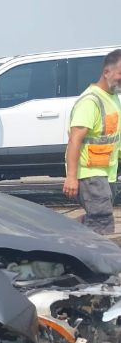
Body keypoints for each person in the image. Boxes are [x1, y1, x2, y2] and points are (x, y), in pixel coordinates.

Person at [63, 49, 121, 235]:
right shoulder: (91, 101)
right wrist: (71, 177)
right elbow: (75, 140)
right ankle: (101, 262)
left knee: (95, 220)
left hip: (107, 173)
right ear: (107, 72)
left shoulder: (113, 98)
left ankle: (63, 235)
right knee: (102, 221)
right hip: (90, 174)